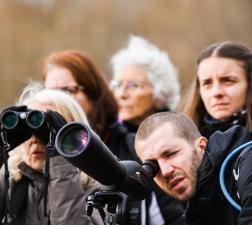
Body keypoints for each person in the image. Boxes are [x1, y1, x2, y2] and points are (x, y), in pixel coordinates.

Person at [42, 50, 185, 225]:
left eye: (68, 90)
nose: (58, 99)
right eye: (50, 91)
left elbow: (172, 215)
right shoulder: (34, 151)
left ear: (94, 95)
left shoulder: (132, 147)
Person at [0, 82, 103, 225]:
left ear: (77, 137)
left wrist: (60, 159)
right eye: (29, 130)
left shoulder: (98, 193)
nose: (36, 140)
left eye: (48, 131)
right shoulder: (5, 186)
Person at [135, 111, 252, 225]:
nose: (165, 171)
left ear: (201, 146)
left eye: (170, 154)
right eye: (153, 167)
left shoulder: (246, 160)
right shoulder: (198, 207)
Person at [179, 41, 252, 138]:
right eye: (207, 83)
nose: (216, 92)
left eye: (228, 80)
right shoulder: (183, 141)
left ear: (249, 83)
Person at [110, 35, 180, 132]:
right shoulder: (108, 135)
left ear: (160, 93)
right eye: (118, 85)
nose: (122, 94)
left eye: (134, 85)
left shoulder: (177, 134)